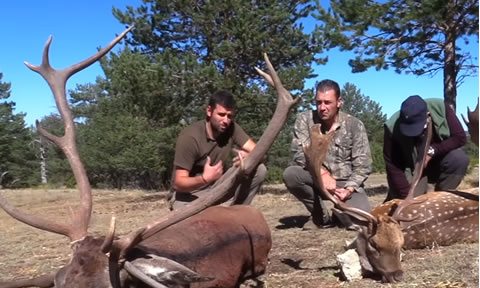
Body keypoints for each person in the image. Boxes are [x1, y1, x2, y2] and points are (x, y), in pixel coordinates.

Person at [283, 79, 372, 230]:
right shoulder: (304, 120)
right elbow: (299, 153)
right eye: (318, 102)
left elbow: (363, 165)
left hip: (344, 184)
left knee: (361, 223)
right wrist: (322, 174)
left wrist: (349, 189)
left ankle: (340, 213)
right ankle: (320, 217)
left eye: (327, 102)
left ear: (338, 102)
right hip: (316, 178)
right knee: (291, 174)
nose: (322, 107)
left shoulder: (354, 125)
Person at [168, 90, 267, 210]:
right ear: (209, 111)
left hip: (216, 187)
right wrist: (204, 179)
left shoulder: (232, 128)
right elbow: (178, 184)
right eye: (221, 114)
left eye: (229, 116)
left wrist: (250, 157)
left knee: (258, 168)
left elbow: (260, 152)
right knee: (196, 224)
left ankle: (237, 213)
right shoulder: (190, 137)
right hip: (188, 194)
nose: (225, 120)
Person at [384, 95, 468, 200]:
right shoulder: (391, 127)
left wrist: (432, 151)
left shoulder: (440, 108)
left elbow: (460, 138)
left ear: (428, 115)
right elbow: (393, 165)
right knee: (406, 204)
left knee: (459, 159)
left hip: (438, 162)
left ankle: (441, 199)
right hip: (411, 168)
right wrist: (406, 197)